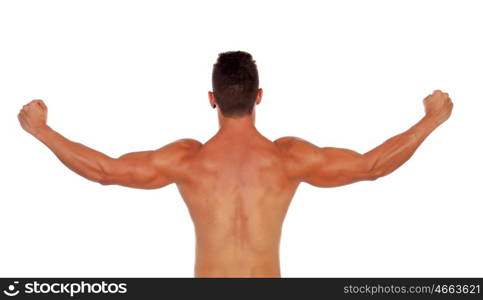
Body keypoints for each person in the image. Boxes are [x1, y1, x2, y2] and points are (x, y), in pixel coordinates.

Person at [17, 51, 453, 277]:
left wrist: (41, 129)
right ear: (259, 96)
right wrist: (431, 119)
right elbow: (373, 165)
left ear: (212, 100)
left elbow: (105, 171)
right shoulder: (290, 159)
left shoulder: (186, 161)